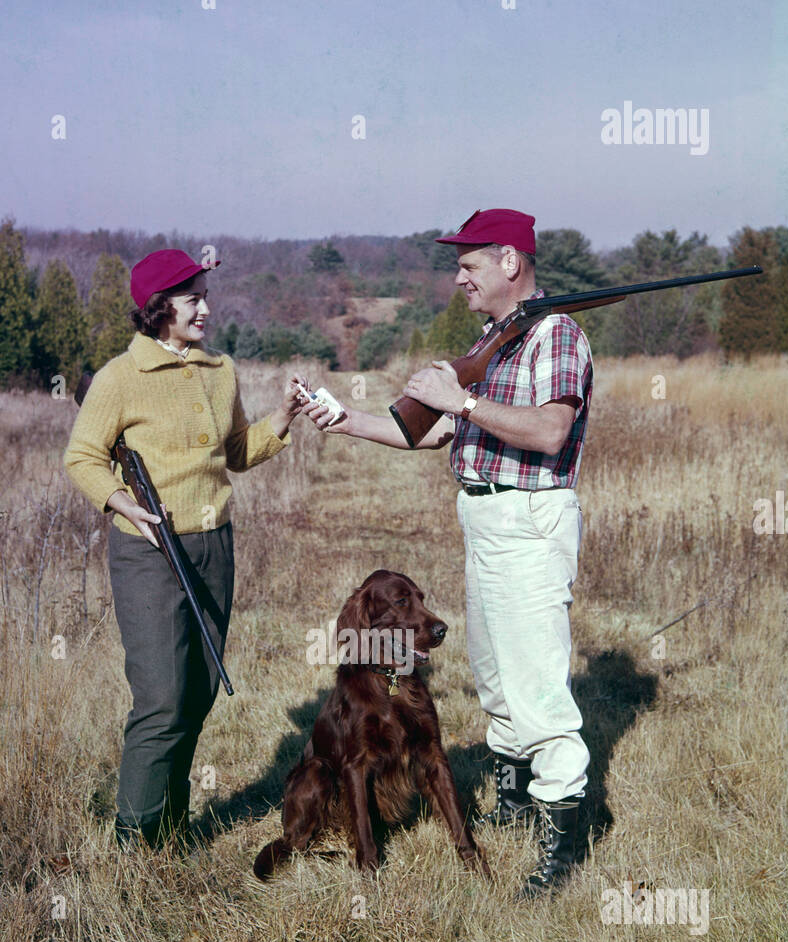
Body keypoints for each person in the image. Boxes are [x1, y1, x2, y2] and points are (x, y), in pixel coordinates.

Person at [299, 209, 593, 893]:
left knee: (536, 685)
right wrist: (344, 421)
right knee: (495, 678)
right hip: (485, 519)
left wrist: (461, 402)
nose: (459, 278)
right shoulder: (495, 340)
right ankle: (514, 804)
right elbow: (429, 434)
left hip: (528, 518)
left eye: (469, 264)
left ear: (510, 262)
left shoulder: (555, 335)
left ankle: (563, 840)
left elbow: (550, 431)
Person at [64, 248, 306, 849]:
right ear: (158, 307)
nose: (205, 309)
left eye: (204, 297)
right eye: (192, 299)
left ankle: (169, 830)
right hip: (148, 554)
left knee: (196, 693)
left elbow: (236, 452)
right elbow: (83, 457)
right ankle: (133, 843)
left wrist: (283, 415)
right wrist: (120, 503)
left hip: (213, 546)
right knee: (161, 698)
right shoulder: (121, 377)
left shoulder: (221, 369)